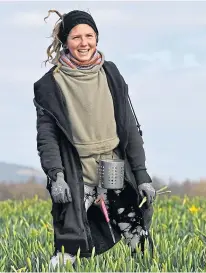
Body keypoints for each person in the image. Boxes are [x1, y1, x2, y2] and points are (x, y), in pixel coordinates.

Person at [33, 9, 156, 268]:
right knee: (68, 245)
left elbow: (130, 128)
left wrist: (142, 175)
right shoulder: (48, 85)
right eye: (76, 37)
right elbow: (47, 138)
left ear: (97, 39)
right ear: (65, 41)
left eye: (89, 35)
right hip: (77, 174)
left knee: (139, 238)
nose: (84, 43)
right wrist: (56, 175)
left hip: (115, 170)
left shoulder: (111, 74)